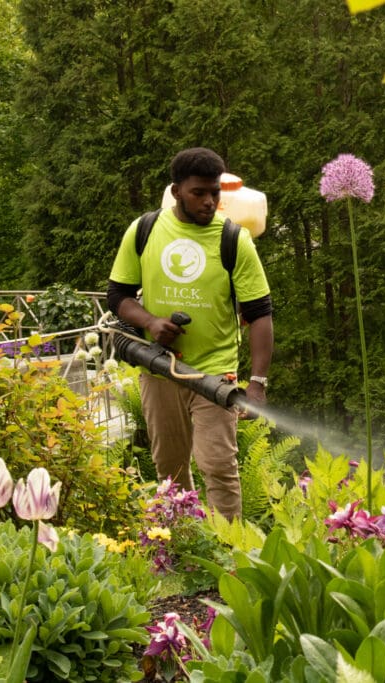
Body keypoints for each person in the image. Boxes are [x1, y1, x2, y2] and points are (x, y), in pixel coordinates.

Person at [107, 147, 273, 519]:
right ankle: (180, 553)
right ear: (177, 190)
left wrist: (258, 383)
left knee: (219, 468)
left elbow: (260, 314)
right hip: (159, 370)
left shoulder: (234, 240)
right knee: (170, 472)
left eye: (215, 192)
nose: (210, 201)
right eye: (199, 192)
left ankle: (229, 560)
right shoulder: (145, 230)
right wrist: (150, 322)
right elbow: (117, 295)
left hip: (214, 375)